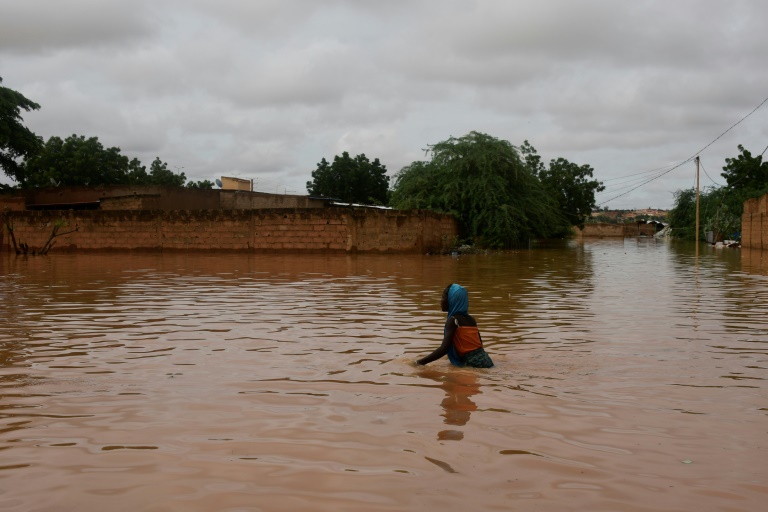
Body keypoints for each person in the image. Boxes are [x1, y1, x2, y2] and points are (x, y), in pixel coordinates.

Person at [416, 283, 494, 368]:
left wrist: (419, 362)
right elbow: (478, 345)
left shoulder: (453, 320)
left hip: (473, 363)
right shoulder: (471, 319)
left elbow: (444, 349)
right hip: (487, 360)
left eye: (443, 297)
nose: (441, 301)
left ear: (452, 300)